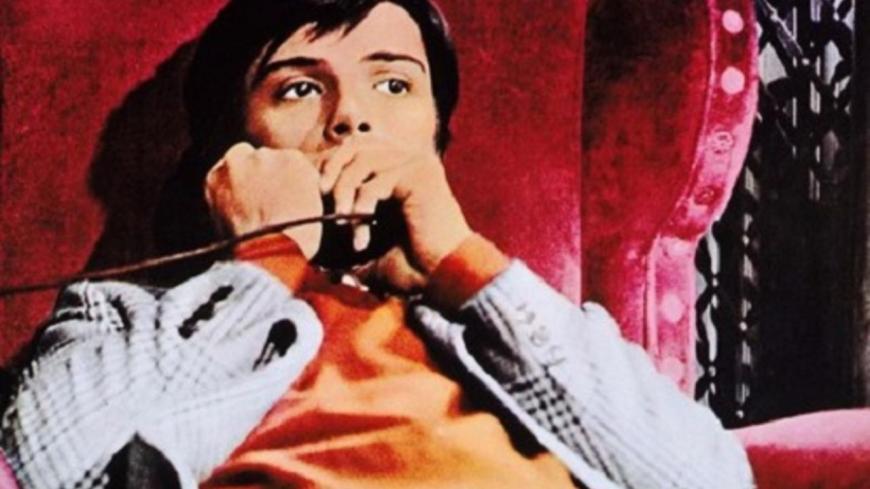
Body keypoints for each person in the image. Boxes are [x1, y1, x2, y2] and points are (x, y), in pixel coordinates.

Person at [0, 0, 754, 488]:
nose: (352, 117)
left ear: (435, 132)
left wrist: (463, 262)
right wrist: (265, 264)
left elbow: (712, 478)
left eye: (394, 85)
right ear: (235, 151)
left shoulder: (508, 321)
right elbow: (40, 471)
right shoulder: (128, 318)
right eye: (298, 88)